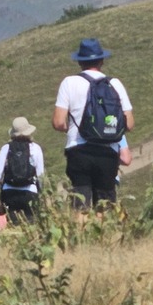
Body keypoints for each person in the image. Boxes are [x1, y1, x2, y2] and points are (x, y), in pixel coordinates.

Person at [52, 37, 134, 208]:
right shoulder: (115, 84)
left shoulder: (69, 82)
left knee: (80, 202)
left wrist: (71, 128)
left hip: (79, 149)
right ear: (102, 60)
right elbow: (130, 124)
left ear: (80, 62)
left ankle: (81, 233)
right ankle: (104, 233)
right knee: (105, 203)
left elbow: (58, 122)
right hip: (108, 150)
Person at [0, 116, 45, 224]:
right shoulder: (35, 148)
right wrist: (41, 192)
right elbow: (41, 175)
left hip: (9, 194)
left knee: (14, 225)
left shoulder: (6, 148)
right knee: (31, 225)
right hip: (30, 192)